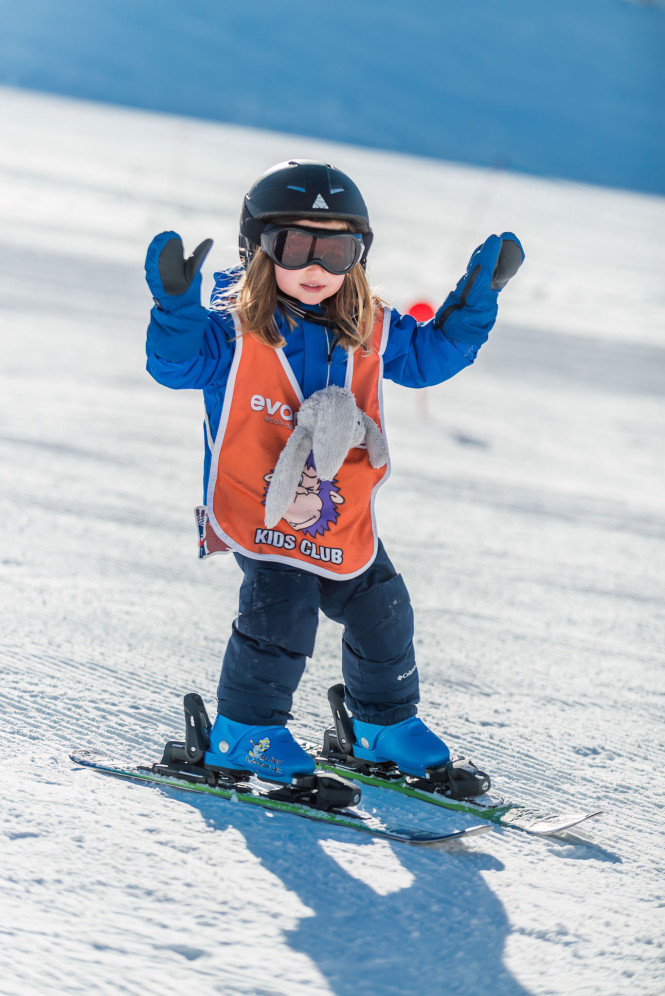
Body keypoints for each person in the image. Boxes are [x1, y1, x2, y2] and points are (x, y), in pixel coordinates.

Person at [144, 159, 523, 785]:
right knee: (284, 609)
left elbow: (430, 358)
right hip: (260, 510)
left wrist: (477, 298)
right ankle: (245, 733)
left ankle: (382, 725)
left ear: (360, 255)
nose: (316, 266)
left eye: (338, 248)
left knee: (383, 606)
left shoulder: (371, 327)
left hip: (337, 515)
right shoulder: (233, 332)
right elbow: (175, 364)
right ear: (260, 246)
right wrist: (177, 308)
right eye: (297, 246)